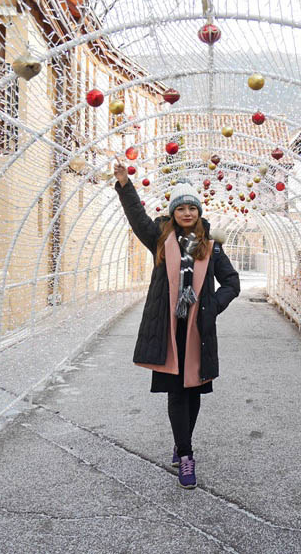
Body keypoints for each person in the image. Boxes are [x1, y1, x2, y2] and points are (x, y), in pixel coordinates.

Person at [113, 160, 240, 489]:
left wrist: (212, 306)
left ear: (198, 213)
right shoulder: (160, 239)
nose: (186, 213)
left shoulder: (210, 247)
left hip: (197, 332)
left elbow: (232, 283)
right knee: (176, 392)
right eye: (180, 208)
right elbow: (138, 218)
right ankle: (185, 454)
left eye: (191, 208)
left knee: (193, 392)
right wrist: (125, 185)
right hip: (170, 331)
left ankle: (181, 442)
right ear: (173, 213)